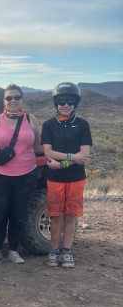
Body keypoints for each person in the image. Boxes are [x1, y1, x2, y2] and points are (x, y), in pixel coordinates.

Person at [0, 84, 42, 264]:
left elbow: (38, 146)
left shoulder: (31, 120)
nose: (13, 101)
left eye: (16, 97)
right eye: (9, 98)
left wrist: (60, 155)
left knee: (18, 213)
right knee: (0, 212)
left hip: (26, 175)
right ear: (4, 101)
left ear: (22, 99)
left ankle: (14, 250)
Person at [41, 82, 92, 268]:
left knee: (71, 216)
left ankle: (67, 251)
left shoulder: (82, 125)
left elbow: (84, 156)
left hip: (76, 178)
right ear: (56, 103)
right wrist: (72, 157)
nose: (66, 105)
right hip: (55, 180)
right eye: (62, 101)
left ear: (75, 103)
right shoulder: (48, 125)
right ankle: (54, 250)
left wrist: (61, 163)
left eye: (70, 101)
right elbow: (48, 152)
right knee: (55, 216)